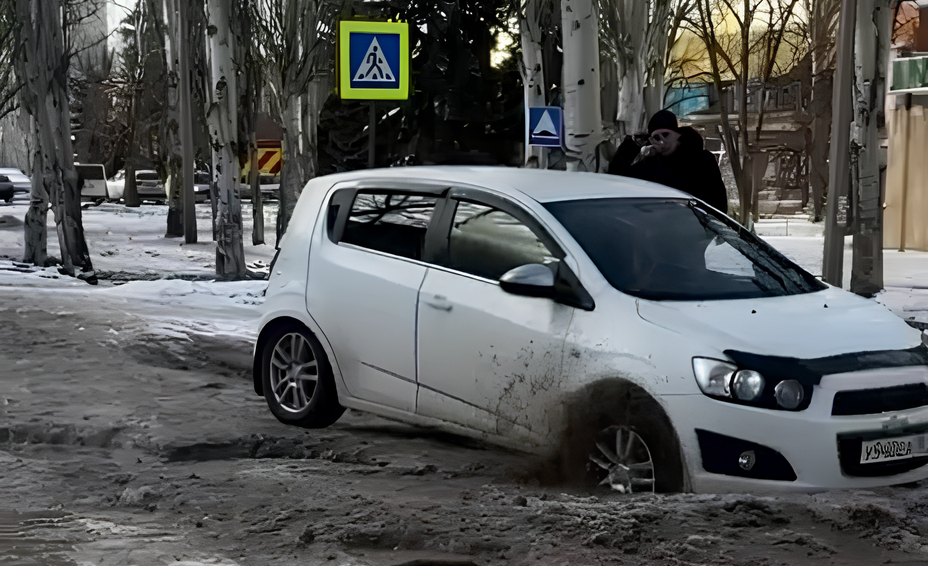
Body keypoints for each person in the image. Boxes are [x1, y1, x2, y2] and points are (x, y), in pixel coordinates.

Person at [608, 109, 728, 213]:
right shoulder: (651, 164)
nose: (661, 142)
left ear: (678, 135)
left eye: (665, 135)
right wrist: (634, 142)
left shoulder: (702, 160)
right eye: (656, 138)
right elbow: (618, 173)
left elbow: (718, 204)